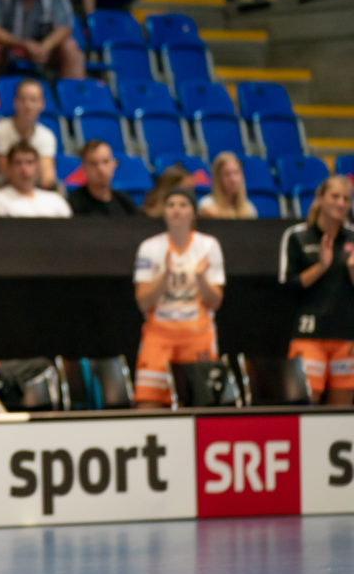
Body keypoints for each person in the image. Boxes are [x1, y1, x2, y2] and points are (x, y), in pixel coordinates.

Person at [132, 187, 225, 408]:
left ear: (193, 212)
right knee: (148, 402)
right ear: (164, 212)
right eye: (171, 205)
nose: (176, 210)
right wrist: (164, 275)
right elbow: (143, 302)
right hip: (158, 335)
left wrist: (201, 278)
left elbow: (215, 302)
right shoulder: (149, 247)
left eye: (183, 205)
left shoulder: (209, 245)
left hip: (197, 334)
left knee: (201, 403)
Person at [279, 176, 354, 405]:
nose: (341, 203)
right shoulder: (297, 236)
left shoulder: (352, 237)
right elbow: (287, 286)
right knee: (306, 407)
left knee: (341, 413)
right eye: (335, 196)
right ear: (319, 198)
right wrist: (321, 266)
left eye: (346, 199)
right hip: (308, 335)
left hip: (346, 336)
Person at [0, 77, 57, 189]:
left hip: (36, 188)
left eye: (33, 100)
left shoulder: (47, 135)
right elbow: (8, 173)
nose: (28, 105)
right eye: (23, 99)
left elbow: (47, 177)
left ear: (42, 104)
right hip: (4, 188)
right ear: (15, 102)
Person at [0, 141, 71, 217]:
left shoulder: (55, 199)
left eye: (29, 162)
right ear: (9, 167)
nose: (24, 169)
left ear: (37, 167)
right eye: (18, 163)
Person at [67, 139, 136, 215]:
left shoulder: (125, 203)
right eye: (93, 163)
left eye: (105, 161)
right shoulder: (72, 204)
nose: (100, 169)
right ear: (83, 167)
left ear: (113, 164)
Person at [198, 152, 257, 220]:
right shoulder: (206, 204)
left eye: (236, 172)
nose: (233, 179)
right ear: (218, 178)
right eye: (227, 174)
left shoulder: (249, 208)